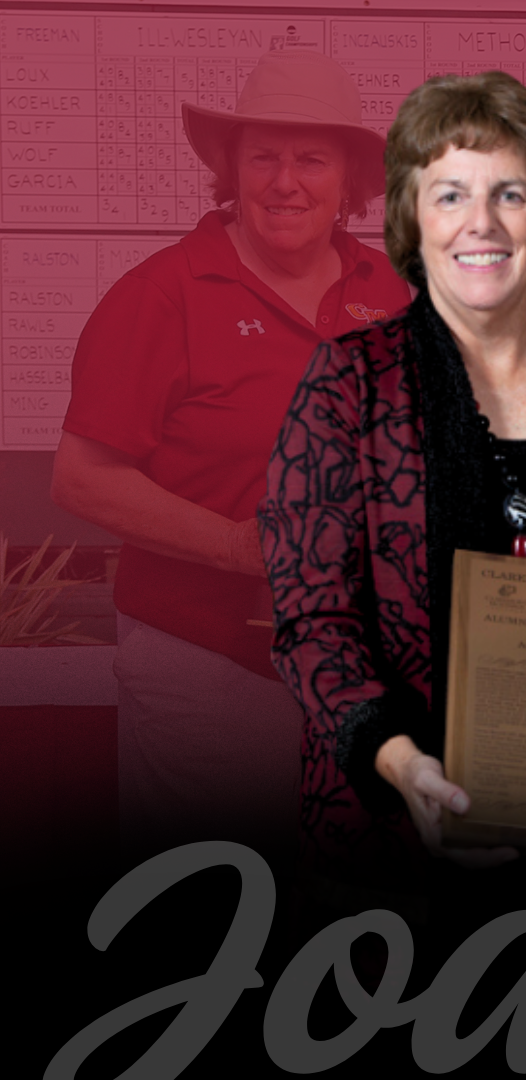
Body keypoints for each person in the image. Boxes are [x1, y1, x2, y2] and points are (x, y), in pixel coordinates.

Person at [258, 72, 526, 881]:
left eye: (510, 194)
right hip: (401, 834)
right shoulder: (347, 381)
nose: (480, 224)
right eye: (450, 195)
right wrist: (400, 766)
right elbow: (311, 627)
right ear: (410, 220)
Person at [50, 51, 410, 861]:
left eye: (311, 158)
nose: (286, 181)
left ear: (348, 177)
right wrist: (237, 546)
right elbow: (80, 479)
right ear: (231, 169)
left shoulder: (392, 294)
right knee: (213, 919)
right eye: (264, 156)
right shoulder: (161, 293)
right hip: (207, 667)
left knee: (350, 923)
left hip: (363, 675)